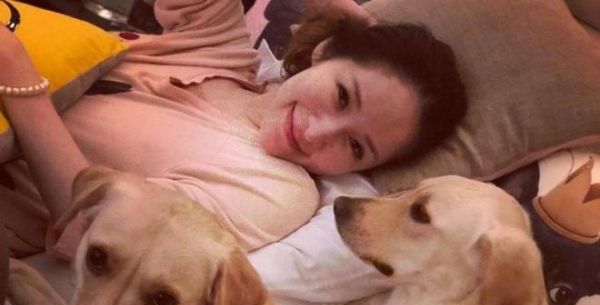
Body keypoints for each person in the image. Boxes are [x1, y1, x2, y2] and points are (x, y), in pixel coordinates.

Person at [0, 0, 467, 259]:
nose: (318, 132)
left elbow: (101, 241)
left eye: (356, 146)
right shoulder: (219, 48)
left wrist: (21, 84)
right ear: (324, 53)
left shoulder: (275, 192)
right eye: (342, 96)